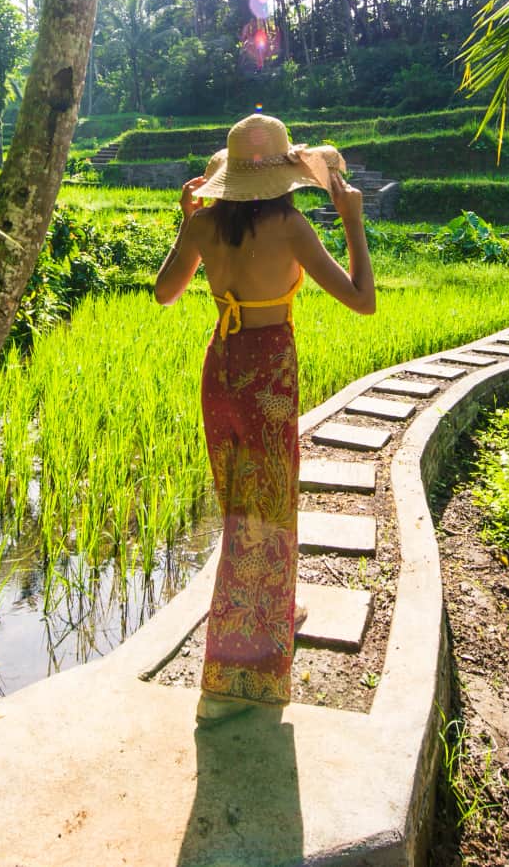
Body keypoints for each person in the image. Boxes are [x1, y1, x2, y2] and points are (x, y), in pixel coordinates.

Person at [153, 112, 376, 726]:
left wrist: (185, 224)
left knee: (239, 511)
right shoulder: (291, 226)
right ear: (280, 177)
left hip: (219, 371)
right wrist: (354, 226)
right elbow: (363, 300)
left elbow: (164, 292)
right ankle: (232, 682)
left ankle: (276, 613)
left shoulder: (202, 225)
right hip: (268, 374)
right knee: (269, 512)